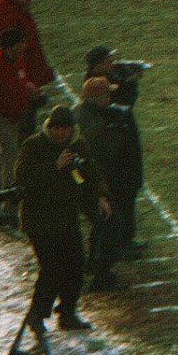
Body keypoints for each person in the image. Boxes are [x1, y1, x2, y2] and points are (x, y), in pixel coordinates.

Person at [15, 106, 110, 347]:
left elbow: (90, 171)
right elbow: (24, 177)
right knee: (51, 269)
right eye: (57, 129)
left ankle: (67, 312)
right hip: (40, 220)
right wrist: (54, 166)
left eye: (66, 129)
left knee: (76, 265)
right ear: (50, 127)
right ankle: (38, 314)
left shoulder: (77, 145)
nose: (62, 134)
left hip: (66, 217)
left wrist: (100, 195)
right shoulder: (34, 146)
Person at [75, 76, 141, 289]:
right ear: (96, 97)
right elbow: (102, 156)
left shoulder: (82, 113)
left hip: (86, 180)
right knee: (111, 224)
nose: (110, 98)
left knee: (101, 224)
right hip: (88, 182)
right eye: (106, 94)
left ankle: (94, 264)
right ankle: (101, 275)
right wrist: (116, 131)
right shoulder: (91, 122)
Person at [0, 27, 41, 230]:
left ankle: (8, 208)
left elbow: (20, 81)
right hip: (2, 119)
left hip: (17, 118)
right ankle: (4, 209)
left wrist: (29, 88)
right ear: (11, 45)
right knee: (8, 162)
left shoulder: (18, 60)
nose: (25, 45)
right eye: (22, 42)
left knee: (13, 162)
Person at [0, 0, 51, 141]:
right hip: (9, 114)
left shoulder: (18, 12)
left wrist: (28, 84)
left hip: (25, 76)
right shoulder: (10, 18)